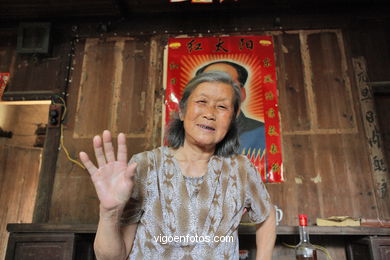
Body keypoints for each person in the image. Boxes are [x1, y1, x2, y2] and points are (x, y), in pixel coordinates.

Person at [79, 71, 276, 260]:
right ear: (182, 111)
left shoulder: (241, 168)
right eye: (201, 102)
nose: (209, 114)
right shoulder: (145, 166)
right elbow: (111, 257)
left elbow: (266, 215)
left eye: (222, 107)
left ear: (232, 119)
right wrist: (109, 213)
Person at [196, 61, 265, 155]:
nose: (216, 90)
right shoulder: (189, 131)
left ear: (242, 93)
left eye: (226, 82)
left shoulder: (261, 132)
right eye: (208, 83)